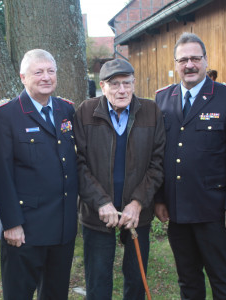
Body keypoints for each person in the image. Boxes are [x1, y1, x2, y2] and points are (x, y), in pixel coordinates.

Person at [154, 32, 226, 299]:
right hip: (177, 210)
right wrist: (160, 198)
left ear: (206, 61)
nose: (189, 65)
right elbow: (159, 153)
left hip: (214, 210)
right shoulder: (162, 98)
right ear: (175, 63)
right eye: (183, 59)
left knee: (222, 278)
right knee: (188, 280)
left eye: (195, 58)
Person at [0, 49, 78, 300]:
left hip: (62, 228)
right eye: (38, 72)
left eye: (50, 71)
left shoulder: (65, 111)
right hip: (26, 230)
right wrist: (12, 223)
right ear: (23, 77)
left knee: (56, 294)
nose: (46, 77)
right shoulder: (5, 115)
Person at [74, 58, 165, 300]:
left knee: (136, 278)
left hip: (137, 213)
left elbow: (157, 163)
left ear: (134, 83)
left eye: (127, 83)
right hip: (97, 213)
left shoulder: (151, 111)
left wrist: (137, 203)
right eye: (114, 84)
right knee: (98, 279)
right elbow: (78, 163)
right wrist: (100, 201)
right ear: (102, 86)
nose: (122, 90)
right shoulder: (85, 111)